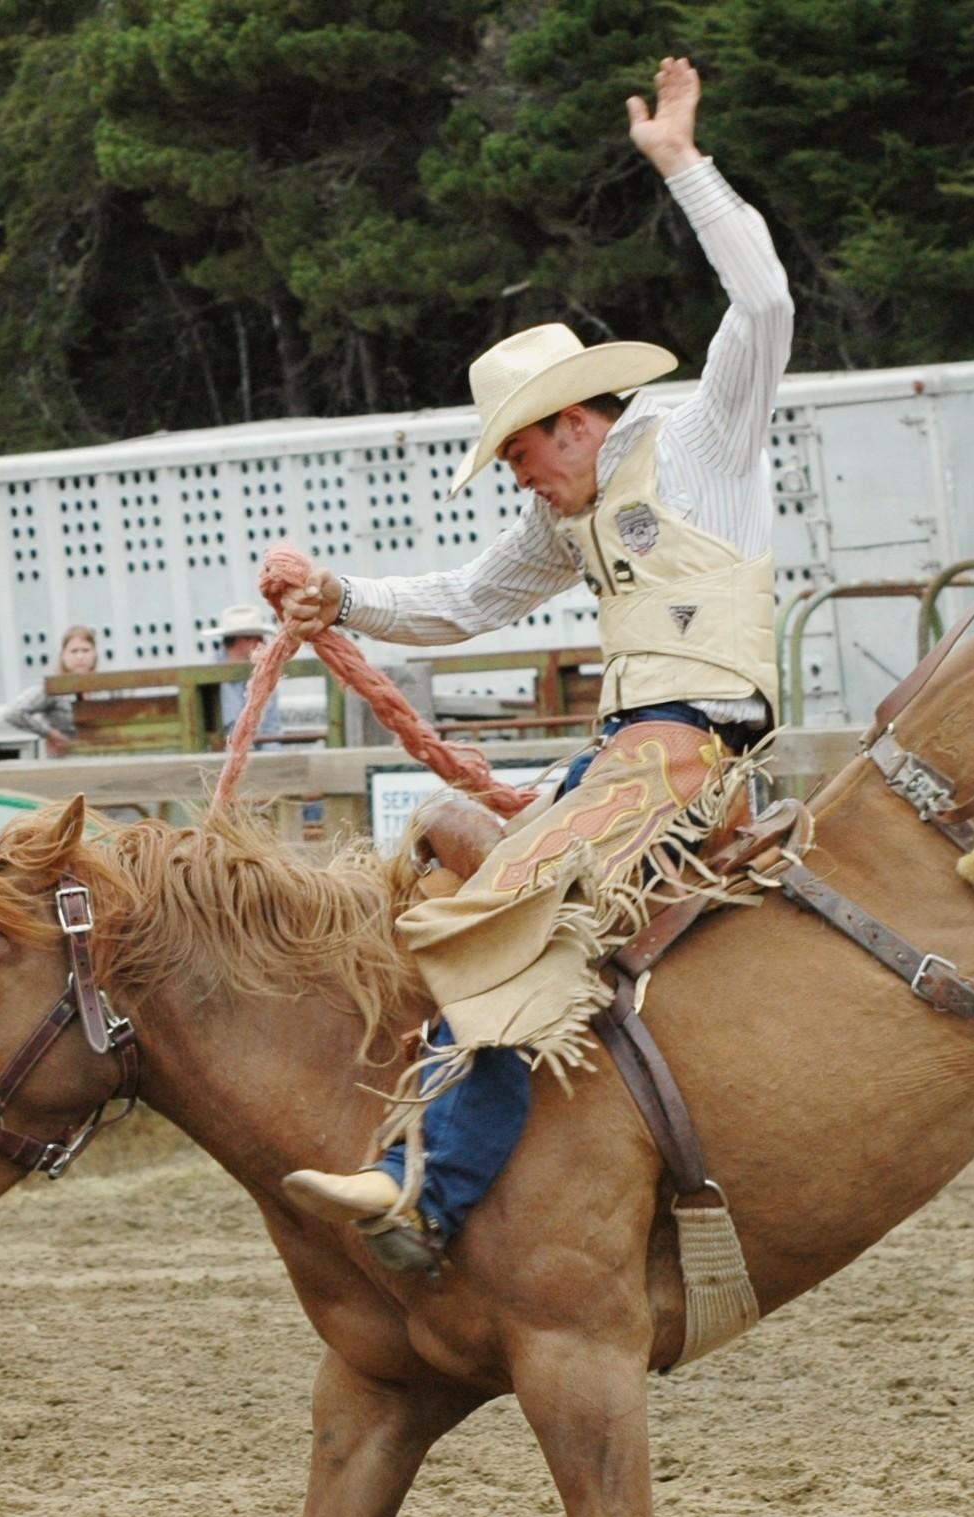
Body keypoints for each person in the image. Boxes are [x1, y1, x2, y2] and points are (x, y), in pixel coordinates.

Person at [273, 55, 789, 1270]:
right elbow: (462, 600)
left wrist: (681, 165)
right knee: (456, 839)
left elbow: (760, 304)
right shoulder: (570, 512)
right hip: (627, 756)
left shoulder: (703, 440)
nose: (518, 480)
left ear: (573, 422)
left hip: (681, 751)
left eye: (518, 456)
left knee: (505, 907)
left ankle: (429, 1194)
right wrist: (339, 597)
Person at [5, 625, 102, 755]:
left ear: (95, 654)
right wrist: (50, 734)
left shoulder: (103, 687)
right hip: (65, 762)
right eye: (74, 651)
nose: (80, 656)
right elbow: (14, 713)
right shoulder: (53, 687)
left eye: (86, 650)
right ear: (63, 656)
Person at [209, 602, 281, 737]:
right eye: (258, 638)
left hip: (255, 749)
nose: (263, 643)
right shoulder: (209, 674)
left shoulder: (264, 670)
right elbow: (228, 725)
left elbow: (271, 726)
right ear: (240, 640)